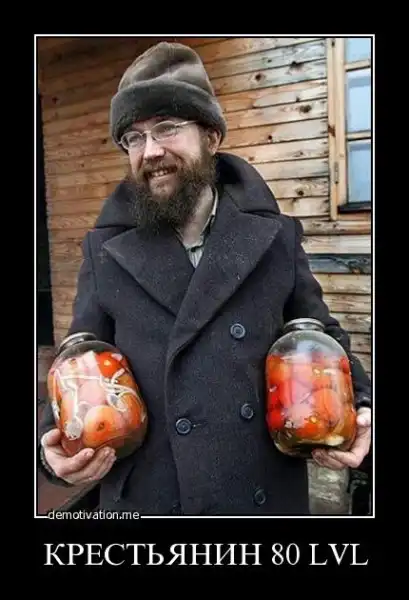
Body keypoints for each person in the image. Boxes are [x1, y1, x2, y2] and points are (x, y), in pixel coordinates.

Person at [38, 41, 372, 516]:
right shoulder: (106, 249)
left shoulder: (274, 237)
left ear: (212, 137)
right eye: (133, 138)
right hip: (152, 496)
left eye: (167, 128)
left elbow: (318, 333)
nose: (151, 151)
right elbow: (80, 354)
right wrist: (52, 442)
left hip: (258, 492)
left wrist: (361, 407)